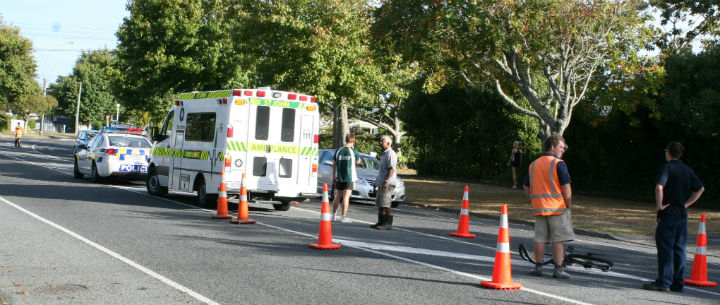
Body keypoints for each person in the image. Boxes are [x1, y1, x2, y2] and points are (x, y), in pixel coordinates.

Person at [643, 141, 704, 292]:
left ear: (669, 152)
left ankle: (664, 281)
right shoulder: (687, 170)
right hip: (681, 213)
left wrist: (659, 206)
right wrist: (686, 204)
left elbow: (659, 187)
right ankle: (677, 282)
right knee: (679, 248)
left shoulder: (667, 167)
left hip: (669, 211)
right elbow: (700, 188)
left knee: (665, 247)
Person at [523, 134, 573, 279]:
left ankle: (538, 267)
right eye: (561, 147)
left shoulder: (533, 164)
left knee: (540, 238)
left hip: (539, 208)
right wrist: (568, 206)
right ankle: (558, 269)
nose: (563, 150)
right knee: (558, 239)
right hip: (557, 208)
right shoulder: (558, 163)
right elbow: (566, 187)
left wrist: (533, 200)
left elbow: (526, 186)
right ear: (553, 147)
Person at [331, 133, 362, 223]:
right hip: (349, 177)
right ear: (353, 141)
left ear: (346, 140)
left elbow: (334, 164)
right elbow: (358, 161)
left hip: (339, 176)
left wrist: (333, 176)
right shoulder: (353, 151)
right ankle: (343, 216)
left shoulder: (338, 150)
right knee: (346, 197)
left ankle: (333, 215)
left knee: (338, 196)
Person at [371, 135, 398, 230]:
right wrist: (377, 182)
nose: (380, 143)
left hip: (388, 183)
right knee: (380, 203)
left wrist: (386, 181)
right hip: (381, 182)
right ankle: (380, 221)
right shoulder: (384, 154)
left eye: (382, 142)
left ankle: (387, 224)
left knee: (386, 203)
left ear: (388, 143)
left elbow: (392, 169)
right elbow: (381, 170)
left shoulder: (391, 154)